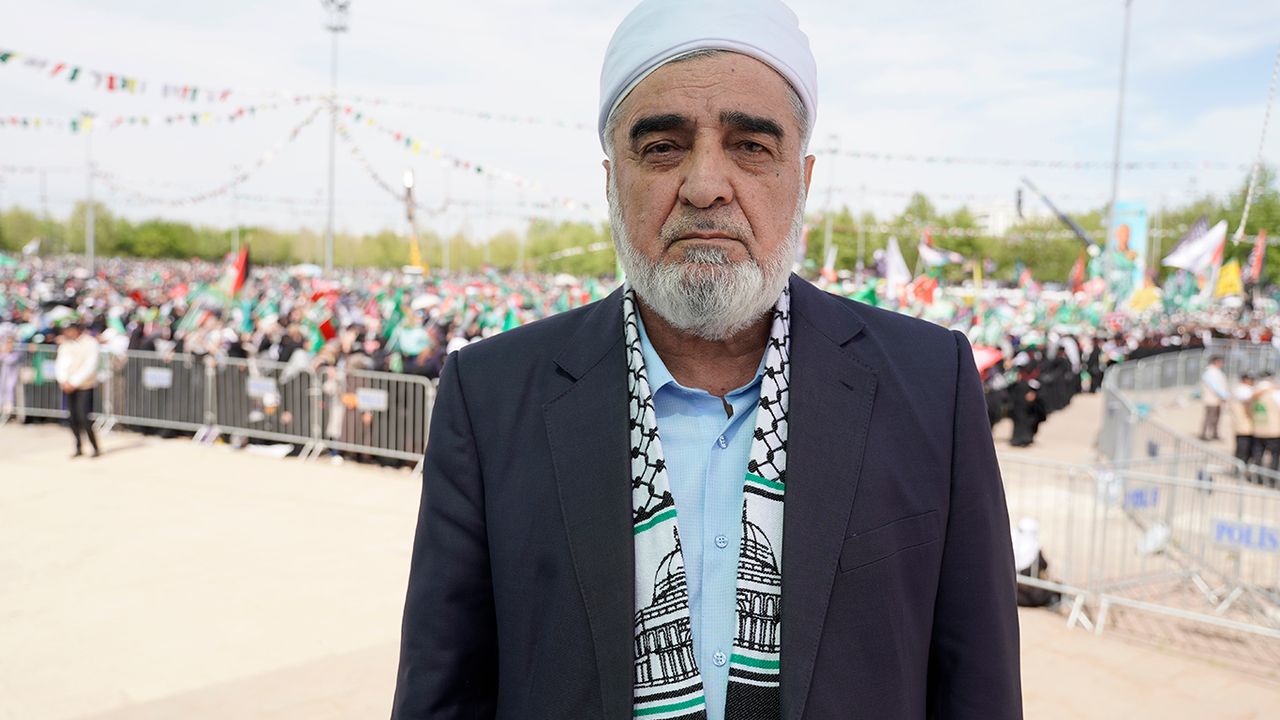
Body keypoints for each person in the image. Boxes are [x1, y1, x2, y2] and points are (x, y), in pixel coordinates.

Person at [391, 2, 1022, 718]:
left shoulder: (929, 386)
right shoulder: (493, 397)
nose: (704, 185)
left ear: (803, 178)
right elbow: (444, 693)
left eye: (750, 146)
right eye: (663, 147)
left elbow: (979, 689)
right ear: (611, 181)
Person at [54, 321, 101, 458]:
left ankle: (94, 446)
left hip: (85, 385)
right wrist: (63, 380)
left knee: (84, 416)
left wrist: (74, 382)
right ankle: (78, 446)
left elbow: (90, 365)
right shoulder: (65, 345)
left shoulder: (90, 343)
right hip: (68, 385)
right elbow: (61, 364)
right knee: (72, 417)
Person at [1199, 355, 1228, 441]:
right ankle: (1204, 434)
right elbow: (1215, 387)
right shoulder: (1210, 373)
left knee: (1216, 417)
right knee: (1210, 417)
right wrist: (1224, 396)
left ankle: (1214, 433)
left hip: (1216, 399)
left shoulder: (1215, 372)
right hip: (1211, 399)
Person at [1231, 374, 1257, 468]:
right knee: (1242, 451)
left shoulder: (1249, 389)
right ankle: (1238, 470)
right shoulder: (1242, 389)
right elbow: (1247, 397)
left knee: (1248, 451)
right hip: (1243, 427)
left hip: (1249, 427)